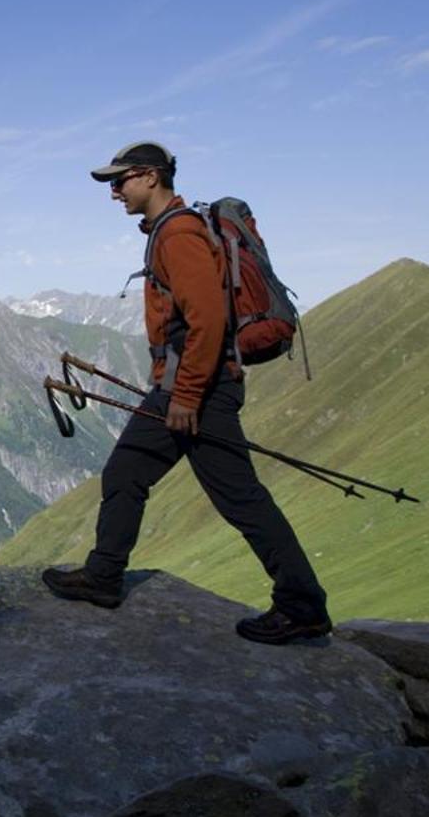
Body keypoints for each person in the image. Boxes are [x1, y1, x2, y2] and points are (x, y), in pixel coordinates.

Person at [42, 142, 331, 644]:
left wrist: (187, 397)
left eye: (121, 181)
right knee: (126, 470)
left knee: (240, 499)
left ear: (151, 177)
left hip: (200, 388)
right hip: (182, 385)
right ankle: (104, 575)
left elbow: (209, 321)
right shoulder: (167, 232)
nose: (114, 192)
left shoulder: (178, 235)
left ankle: (302, 605)